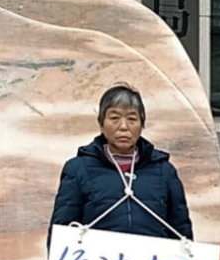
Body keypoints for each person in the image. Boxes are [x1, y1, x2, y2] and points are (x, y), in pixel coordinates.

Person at [47, 83, 193, 249]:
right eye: (114, 118)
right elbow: (63, 230)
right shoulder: (78, 169)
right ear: (101, 124)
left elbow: (181, 232)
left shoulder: (164, 171)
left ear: (142, 125)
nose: (123, 127)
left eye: (132, 119)